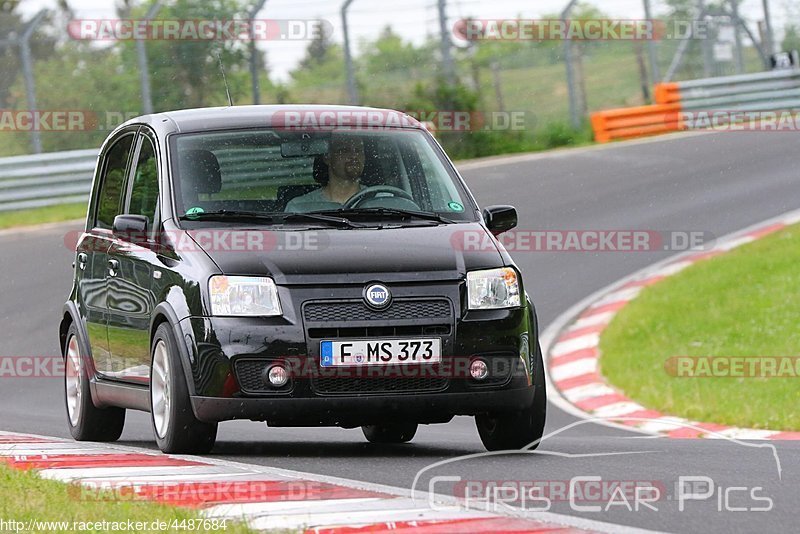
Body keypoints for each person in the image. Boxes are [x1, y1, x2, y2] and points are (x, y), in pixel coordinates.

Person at [285, 134, 366, 212]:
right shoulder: (300, 208)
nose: (354, 156)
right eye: (344, 150)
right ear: (327, 157)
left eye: (359, 150)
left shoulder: (377, 201)